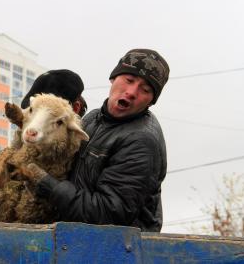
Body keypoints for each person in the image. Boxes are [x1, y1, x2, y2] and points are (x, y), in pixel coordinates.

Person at [21, 49, 170, 232]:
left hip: (116, 251)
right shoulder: (92, 118)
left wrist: (48, 185)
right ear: (113, 79)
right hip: (77, 237)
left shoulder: (142, 142)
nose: (132, 92)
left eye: (145, 90)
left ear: (150, 101)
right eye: (129, 81)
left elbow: (108, 213)